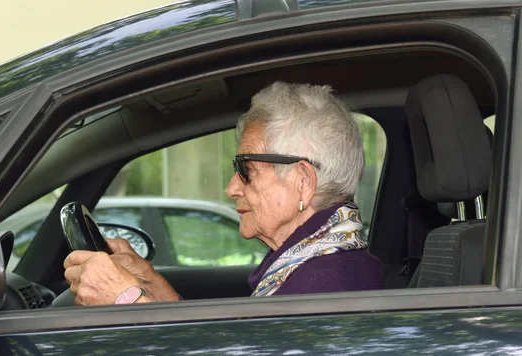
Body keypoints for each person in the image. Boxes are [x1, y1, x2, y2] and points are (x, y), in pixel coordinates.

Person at [63, 81, 385, 305]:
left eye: (246, 171)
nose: (231, 188)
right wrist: (151, 287)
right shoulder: (315, 266)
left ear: (302, 180)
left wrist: (125, 301)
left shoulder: (326, 286)